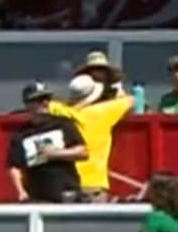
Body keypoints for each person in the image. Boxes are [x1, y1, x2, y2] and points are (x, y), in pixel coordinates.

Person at [49, 57, 133, 202]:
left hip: (67, 183)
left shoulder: (60, 111)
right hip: (93, 184)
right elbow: (130, 101)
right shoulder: (103, 112)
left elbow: (47, 105)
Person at [6, 81, 87, 203]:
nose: (45, 103)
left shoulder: (63, 124)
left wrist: (55, 154)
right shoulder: (21, 134)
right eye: (39, 100)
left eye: (47, 99)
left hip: (67, 194)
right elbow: (13, 166)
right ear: (28, 104)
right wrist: (21, 191)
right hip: (37, 196)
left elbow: (83, 152)